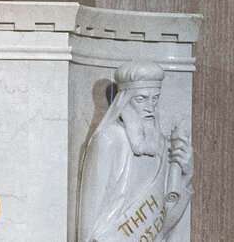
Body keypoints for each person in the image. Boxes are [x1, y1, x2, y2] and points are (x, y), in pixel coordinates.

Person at [76, 61, 193, 242]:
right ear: (124, 101)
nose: (150, 107)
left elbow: (165, 221)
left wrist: (185, 176)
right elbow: (90, 213)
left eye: (155, 98)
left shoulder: (161, 145)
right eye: (141, 99)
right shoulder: (109, 139)